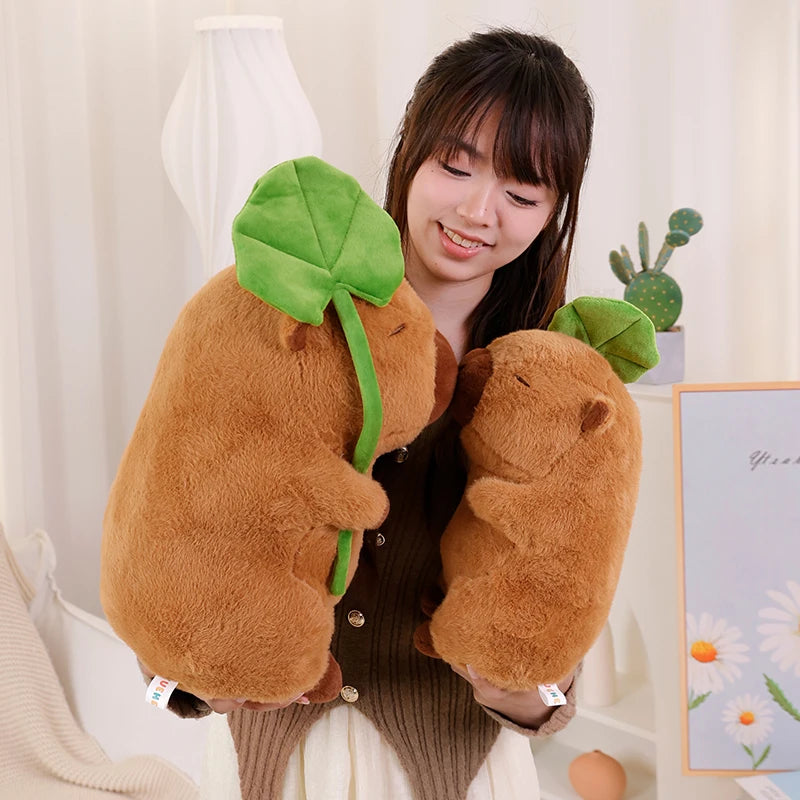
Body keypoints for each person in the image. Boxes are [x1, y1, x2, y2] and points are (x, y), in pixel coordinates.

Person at [153, 27, 594, 800]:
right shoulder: (287, 320)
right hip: (272, 766)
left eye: (522, 195)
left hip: (461, 772)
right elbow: (172, 538)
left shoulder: (553, 381)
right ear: (410, 154)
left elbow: (557, 641)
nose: (478, 210)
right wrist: (187, 683)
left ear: (554, 211)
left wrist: (527, 693)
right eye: (455, 166)